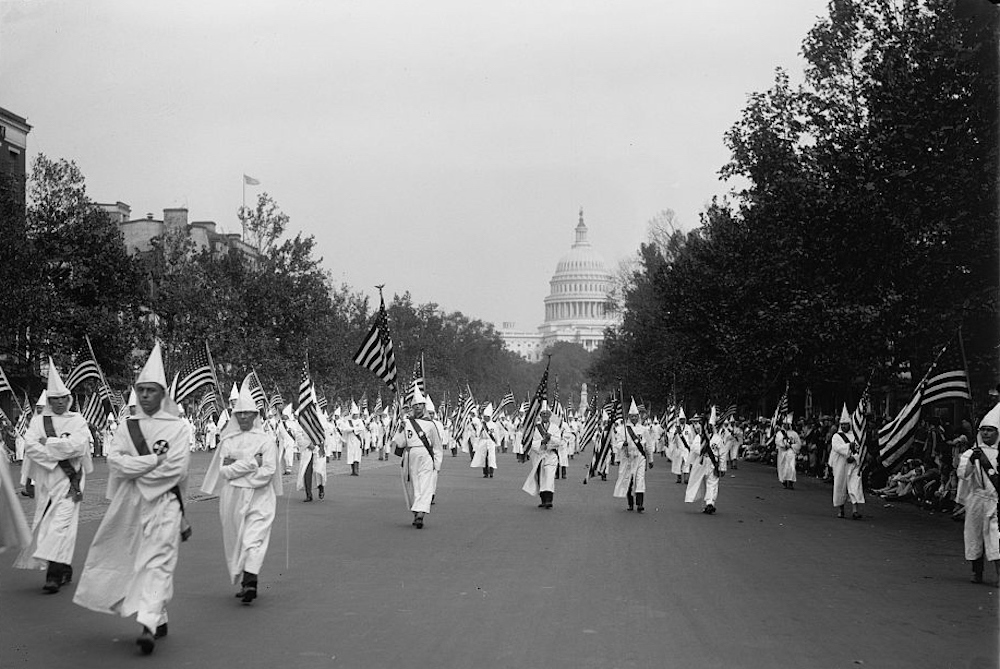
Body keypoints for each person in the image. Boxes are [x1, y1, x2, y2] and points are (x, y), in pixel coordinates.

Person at [73, 343, 192, 655]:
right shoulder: (128, 426)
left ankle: (148, 624)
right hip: (130, 505)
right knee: (135, 560)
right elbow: (115, 462)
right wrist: (152, 462)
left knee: (158, 561)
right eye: (141, 390)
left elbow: (175, 470)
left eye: (151, 390)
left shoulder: (178, 428)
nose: (145, 396)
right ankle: (159, 613)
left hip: (165, 504)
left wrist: (138, 469)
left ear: (162, 393)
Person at [14, 359, 93, 593]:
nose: (58, 403)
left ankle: (53, 575)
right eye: (54, 399)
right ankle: (64, 566)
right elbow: (30, 447)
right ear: (49, 401)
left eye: (62, 398)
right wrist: (61, 446)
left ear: (68, 399)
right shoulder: (39, 421)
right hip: (46, 484)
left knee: (60, 525)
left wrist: (48, 443)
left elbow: (79, 447)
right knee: (49, 527)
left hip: (70, 482)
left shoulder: (77, 420)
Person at [200, 381, 281, 603]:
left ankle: (250, 582)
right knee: (236, 539)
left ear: (255, 415)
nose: (244, 417)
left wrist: (242, 470)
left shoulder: (266, 441)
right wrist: (251, 463)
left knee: (253, 539)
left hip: (260, 497)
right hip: (233, 498)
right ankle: (245, 579)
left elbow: (269, 471)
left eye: (248, 413)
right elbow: (224, 471)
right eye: (240, 413)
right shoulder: (228, 441)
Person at [957, 402, 999, 585]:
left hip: (995, 501)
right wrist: (973, 461)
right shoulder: (970, 453)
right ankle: (977, 572)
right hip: (976, 498)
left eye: (990, 430)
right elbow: (962, 474)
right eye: (983, 430)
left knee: (996, 538)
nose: (986, 433)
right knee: (975, 536)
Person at [391, 383, 442, 529]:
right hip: (410, 456)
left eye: (421, 405)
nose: (418, 407)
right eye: (416, 405)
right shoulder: (406, 423)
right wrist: (400, 429)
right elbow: (400, 443)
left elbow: (437, 446)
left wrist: (437, 464)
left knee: (425, 483)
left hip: (426, 456)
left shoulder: (430, 425)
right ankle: (416, 510)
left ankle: (421, 514)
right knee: (414, 484)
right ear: (412, 407)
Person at [522, 402, 563, 508]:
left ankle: (549, 500)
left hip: (551, 456)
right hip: (539, 456)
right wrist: (541, 442)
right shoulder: (535, 428)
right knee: (540, 478)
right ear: (540, 416)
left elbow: (559, 442)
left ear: (550, 415)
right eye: (543, 414)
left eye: (547, 414)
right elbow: (532, 442)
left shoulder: (555, 428)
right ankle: (543, 500)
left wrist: (550, 438)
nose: (545, 416)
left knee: (549, 477)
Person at [614, 399, 652, 512]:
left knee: (640, 479)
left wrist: (650, 460)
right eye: (632, 416)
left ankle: (640, 504)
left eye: (636, 416)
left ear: (638, 416)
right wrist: (623, 444)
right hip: (628, 457)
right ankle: (630, 503)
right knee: (629, 480)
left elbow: (648, 445)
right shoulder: (623, 430)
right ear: (629, 417)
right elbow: (617, 443)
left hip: (640, 457)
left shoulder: (644, 430)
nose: (634, 418)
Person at [829, 404, 864, 519]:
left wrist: (854, 457)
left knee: (854, 486)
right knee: (840, 486)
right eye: (842, 424)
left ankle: (855, 510)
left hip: (852, 465)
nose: (844, 426)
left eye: (846, 424)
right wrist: (849, 446)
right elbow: (837, 448)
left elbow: (859, 449)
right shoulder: (836, 436)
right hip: (841, 465)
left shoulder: (855, 436)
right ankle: (841, 509)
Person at [685, 415, 721, 513]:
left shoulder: (717, 438)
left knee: (712, 482)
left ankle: (710, 503)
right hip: (701, 462)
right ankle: (707, 502)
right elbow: (695, 449)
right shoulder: (699, 437)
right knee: (704, 483)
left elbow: (722, 453)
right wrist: (703, 449)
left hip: (713, 463)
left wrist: (722, 467)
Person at [471, 403, 499, 478]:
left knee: (491, 457)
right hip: (483, 441)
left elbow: (497, 435)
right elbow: (478, 434)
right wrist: (476, 444)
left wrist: (498, 444)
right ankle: (485, 472)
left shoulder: (494, 425)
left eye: (487, 417)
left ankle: (491, 472)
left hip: (491, 441)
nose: (486, 418)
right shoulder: (481, 424)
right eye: (485, 417)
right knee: (484, 457)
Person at [340, 402, 365, 476]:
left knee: (357, 455)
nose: (356, 416)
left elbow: (362, 428)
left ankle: (356, 470)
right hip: (350, 439)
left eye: (357, 414)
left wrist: (354, 429)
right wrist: (352, 429)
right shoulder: (349, 421)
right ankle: (352, 470)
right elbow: (345, 428)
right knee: (351, 455)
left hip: (357, 439)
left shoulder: (360, 421)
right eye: (354, 414)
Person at [776, 414, 799, 490]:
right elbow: (778, 442)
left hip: (791, 452)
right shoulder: (780, 433)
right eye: (785, 424)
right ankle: (784, 482)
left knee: (791, 467)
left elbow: (798, 443)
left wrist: (792, 446)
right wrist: (784, 445)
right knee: (783, 467)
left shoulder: (794, 434)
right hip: (782, 453)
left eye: (788, 424)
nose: (786, 426)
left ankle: (791, 482)